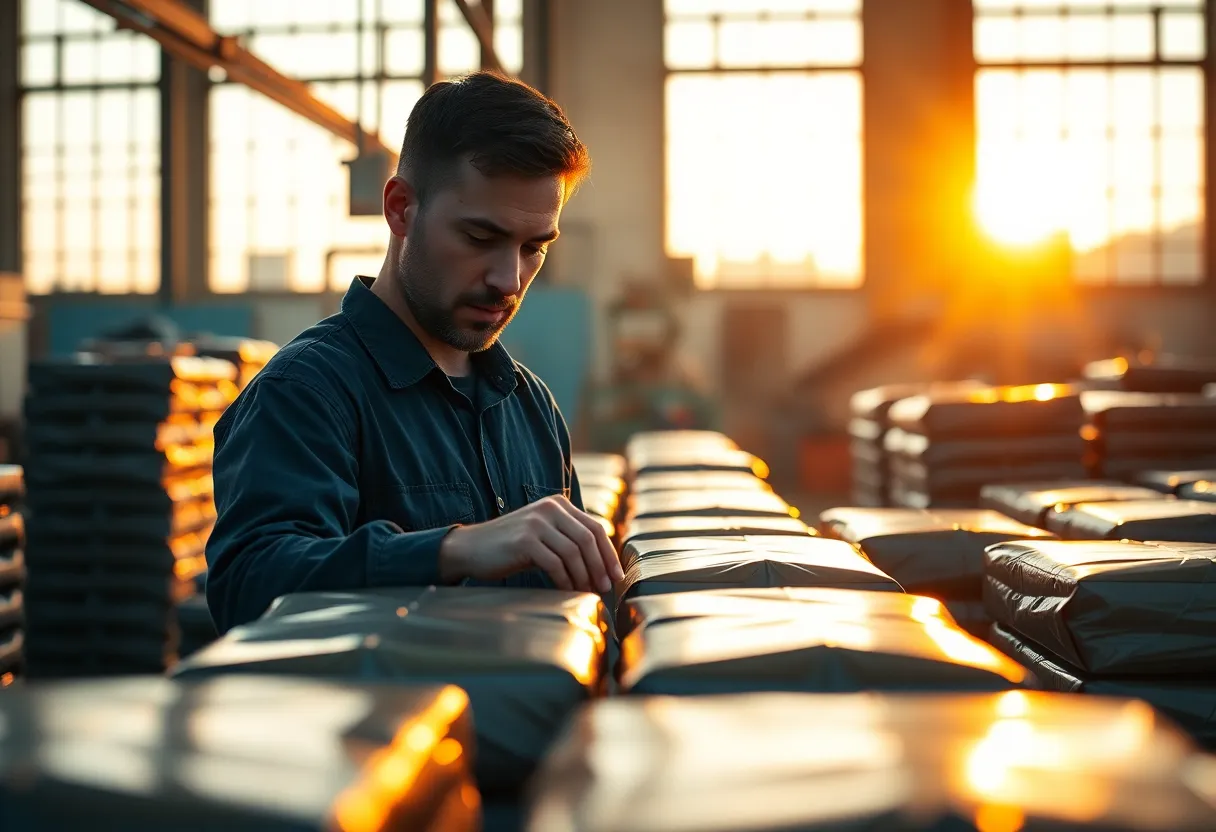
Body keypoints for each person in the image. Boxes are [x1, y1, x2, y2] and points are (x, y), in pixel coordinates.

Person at [204, 71, 622, 634]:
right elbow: (249, 585)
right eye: (479, 238)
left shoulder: (529, 406)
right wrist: (452, 551)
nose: (509, 278)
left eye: (532, 248)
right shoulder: (307, 391)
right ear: (401, 209)